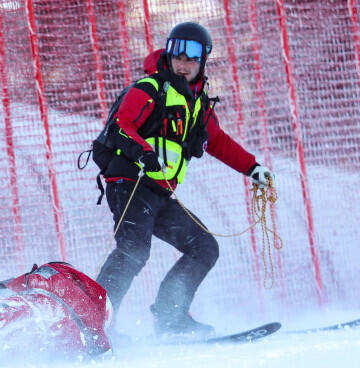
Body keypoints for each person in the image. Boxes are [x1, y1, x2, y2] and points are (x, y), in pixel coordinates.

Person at [95, 22, 274, 336]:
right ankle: (93, 323)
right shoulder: (149, 88)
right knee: (133, 249)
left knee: (203, 247)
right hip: (130, 183)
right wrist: (142, 152)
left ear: (203, 61)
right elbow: (121, 126)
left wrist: (253, 168)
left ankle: (170, 318)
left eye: (192, 57)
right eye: (177, 53)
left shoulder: (197, 105)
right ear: (168, 52)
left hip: (159, 192)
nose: (183, 62)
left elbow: (218, 142)